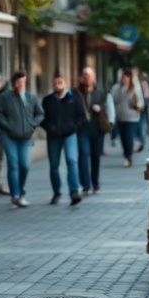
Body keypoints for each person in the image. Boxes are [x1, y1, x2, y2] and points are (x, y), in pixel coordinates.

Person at [0, 70, 44, 207]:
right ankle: (15, 195)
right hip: (9, 136)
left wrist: (32, 125)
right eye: (20, 82)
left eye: (24, 82)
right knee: (13, 165)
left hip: (25, 137)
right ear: (14, 83)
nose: (23, 84)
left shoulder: (31, 97)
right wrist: (7, 125)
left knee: (25, 166)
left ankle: (20, 191)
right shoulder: (4, 97)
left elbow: (40, 113)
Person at [41, 73, 86, 205]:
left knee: (72, 160)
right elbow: (41, 118)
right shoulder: (47, 101)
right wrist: (50, 128)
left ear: (64, 82)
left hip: (70, 134)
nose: (57, 85)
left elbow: (81, 117)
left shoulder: (74, 98)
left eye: (60, 82)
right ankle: (56, 192)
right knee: (54, 165)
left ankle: (74, 191)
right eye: (55, 83)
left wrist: (74, 127)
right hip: (53, 136)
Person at [77, 67, 114, 194]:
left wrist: (102, 111)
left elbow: (109, 109)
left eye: (89, 75)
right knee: (83, 154)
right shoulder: (77, 93)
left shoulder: (101, 93)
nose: (86, 77)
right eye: (84, 74)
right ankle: (86, 184)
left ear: (93, 78)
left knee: (95, 156)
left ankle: (95, 182)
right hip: (82, 129)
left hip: (97, 129)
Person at [110, 69, 144, 167]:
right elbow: (113, 99)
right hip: (120, 117)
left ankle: (129, 156)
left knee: (128, 136)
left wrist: (139, 107)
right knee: (123, 137)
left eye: (127, 77)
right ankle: (126, 154)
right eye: (124, 77)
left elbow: (140, 100)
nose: (125, 79)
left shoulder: (135, 88)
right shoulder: (117, 88)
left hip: (132, 117)